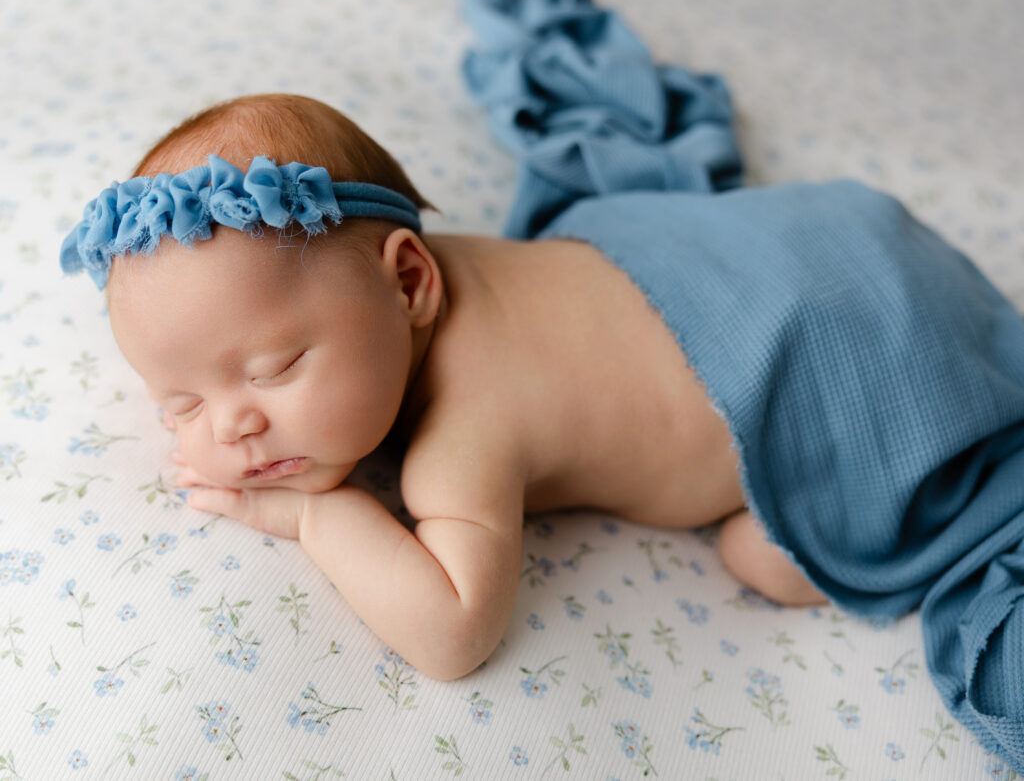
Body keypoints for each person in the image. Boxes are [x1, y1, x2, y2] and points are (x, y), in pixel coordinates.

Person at [61, 66, 1024, 781]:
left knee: (763, 556)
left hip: (849, 356)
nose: (231, 426)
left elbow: (452, 631)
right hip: (804, 243)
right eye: (179, 402)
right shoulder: (402, 281)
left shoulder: (466, 427)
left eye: (274, 369)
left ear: (409, 281)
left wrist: (316, 514)